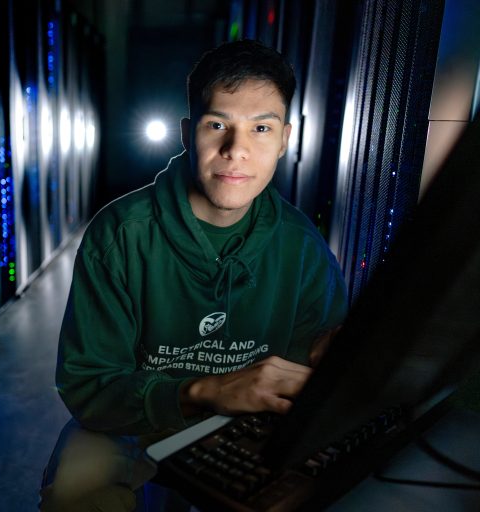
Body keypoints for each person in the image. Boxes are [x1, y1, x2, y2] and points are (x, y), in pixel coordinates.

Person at [39, 39, 348, 511]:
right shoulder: (121, 233)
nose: (236, 151)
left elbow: (304, 389)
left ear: (285, 139)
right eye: (217, 125)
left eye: (261, 128)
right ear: (188, 133)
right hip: (136, 424)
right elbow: (89, 388)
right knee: (76, 494)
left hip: (246, 430)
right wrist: (204, 391)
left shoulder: (303, 249)